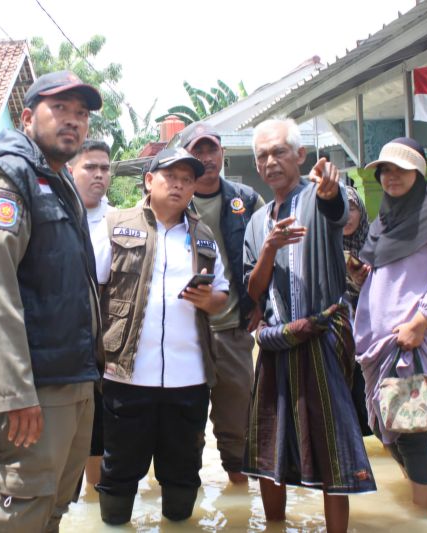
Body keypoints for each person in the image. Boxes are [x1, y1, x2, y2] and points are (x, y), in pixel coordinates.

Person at [0, 70, 103, 533]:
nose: (72, 121)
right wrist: (13, 393)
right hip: (29, 388)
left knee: (52, 507)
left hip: (69, 376)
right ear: (26, 116)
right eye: (59, 109)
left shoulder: (58, 183)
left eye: (80, 114)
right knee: (20, 513)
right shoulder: (8, 177)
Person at [242, 118, 375, 533]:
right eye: (262, 155)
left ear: (299, 156)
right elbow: (253, 289)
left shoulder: (318, 199)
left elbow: (340, 209)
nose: (270, 162)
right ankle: (274, 526)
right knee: (270, 448)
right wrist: (268, 249)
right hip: (277, 340)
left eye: (279, 151)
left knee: (332, 451)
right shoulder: (257, 221)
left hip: (321, 341)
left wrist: (332, 191)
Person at [92, 148, 230, 525]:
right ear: (150, 181)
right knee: (118, 476)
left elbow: (222, 296)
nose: (180, 185)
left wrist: (210, 299)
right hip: (127, 376)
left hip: (189, 380)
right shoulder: (116, 227)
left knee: (183, 478)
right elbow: (91, 289)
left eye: (188, 180)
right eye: (172, 177)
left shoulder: (203, 236)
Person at [353, 137, 427, 508]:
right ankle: (417, 499)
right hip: (379, 342)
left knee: (412, 430)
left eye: (401, 169)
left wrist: (422, 320)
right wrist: (361, 275)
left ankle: (424, 517)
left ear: (418, 172)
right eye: (385, 170)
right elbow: (386, 273)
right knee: (390, 429)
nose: (391, 177)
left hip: (413, 342)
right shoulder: (385, 220)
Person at [180, 122, 265, 484]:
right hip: (184, 334)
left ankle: (238, 503)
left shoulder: (247, 201)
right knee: (183, 429)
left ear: (222, 154)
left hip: (233, 330)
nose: (206, 158)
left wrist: (260, 305)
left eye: (211, 150)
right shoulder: (172, 202)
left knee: (238, 426)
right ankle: (185, 500)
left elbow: (269, 257)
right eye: (197, 152)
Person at [69, 139, 114, 487]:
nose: (98, 175)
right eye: (90, 167)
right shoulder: (57, 214)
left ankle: (96, 504)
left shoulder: (120, 222)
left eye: (104, 168)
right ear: (71, 169)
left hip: (108, 342)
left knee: (102, 429)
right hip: (66, 339)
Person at [342, 185, 373, 437]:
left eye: (352, 208)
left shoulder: (376, 243)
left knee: (370, 390)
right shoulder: (325, 246)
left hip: (372, 332)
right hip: (340, 333)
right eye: (341, 208)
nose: (347, 215)